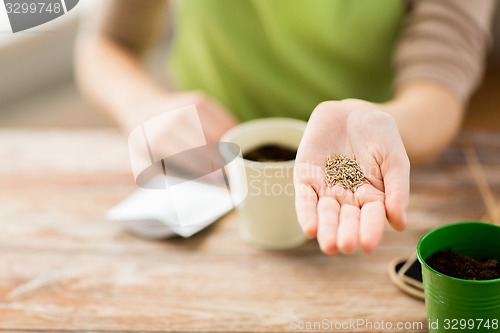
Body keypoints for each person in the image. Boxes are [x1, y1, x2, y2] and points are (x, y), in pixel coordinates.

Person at [75, 0, 495, 255]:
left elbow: (438, 92)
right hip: (209, 162)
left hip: (354, 160)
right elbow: (105, 42)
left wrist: (379, 124)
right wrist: (144, 105)